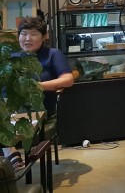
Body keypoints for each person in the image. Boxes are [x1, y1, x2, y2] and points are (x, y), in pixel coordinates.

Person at [3, 17, 74, 170]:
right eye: (23, 34)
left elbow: (68, 80)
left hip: (38, 109)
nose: (27, 38)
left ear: (44, 36)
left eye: (34, 34)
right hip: (7, 108)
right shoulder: (11, 57)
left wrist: (37, 86)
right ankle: (10, 155)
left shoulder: (52, 54)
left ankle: (11, 155)